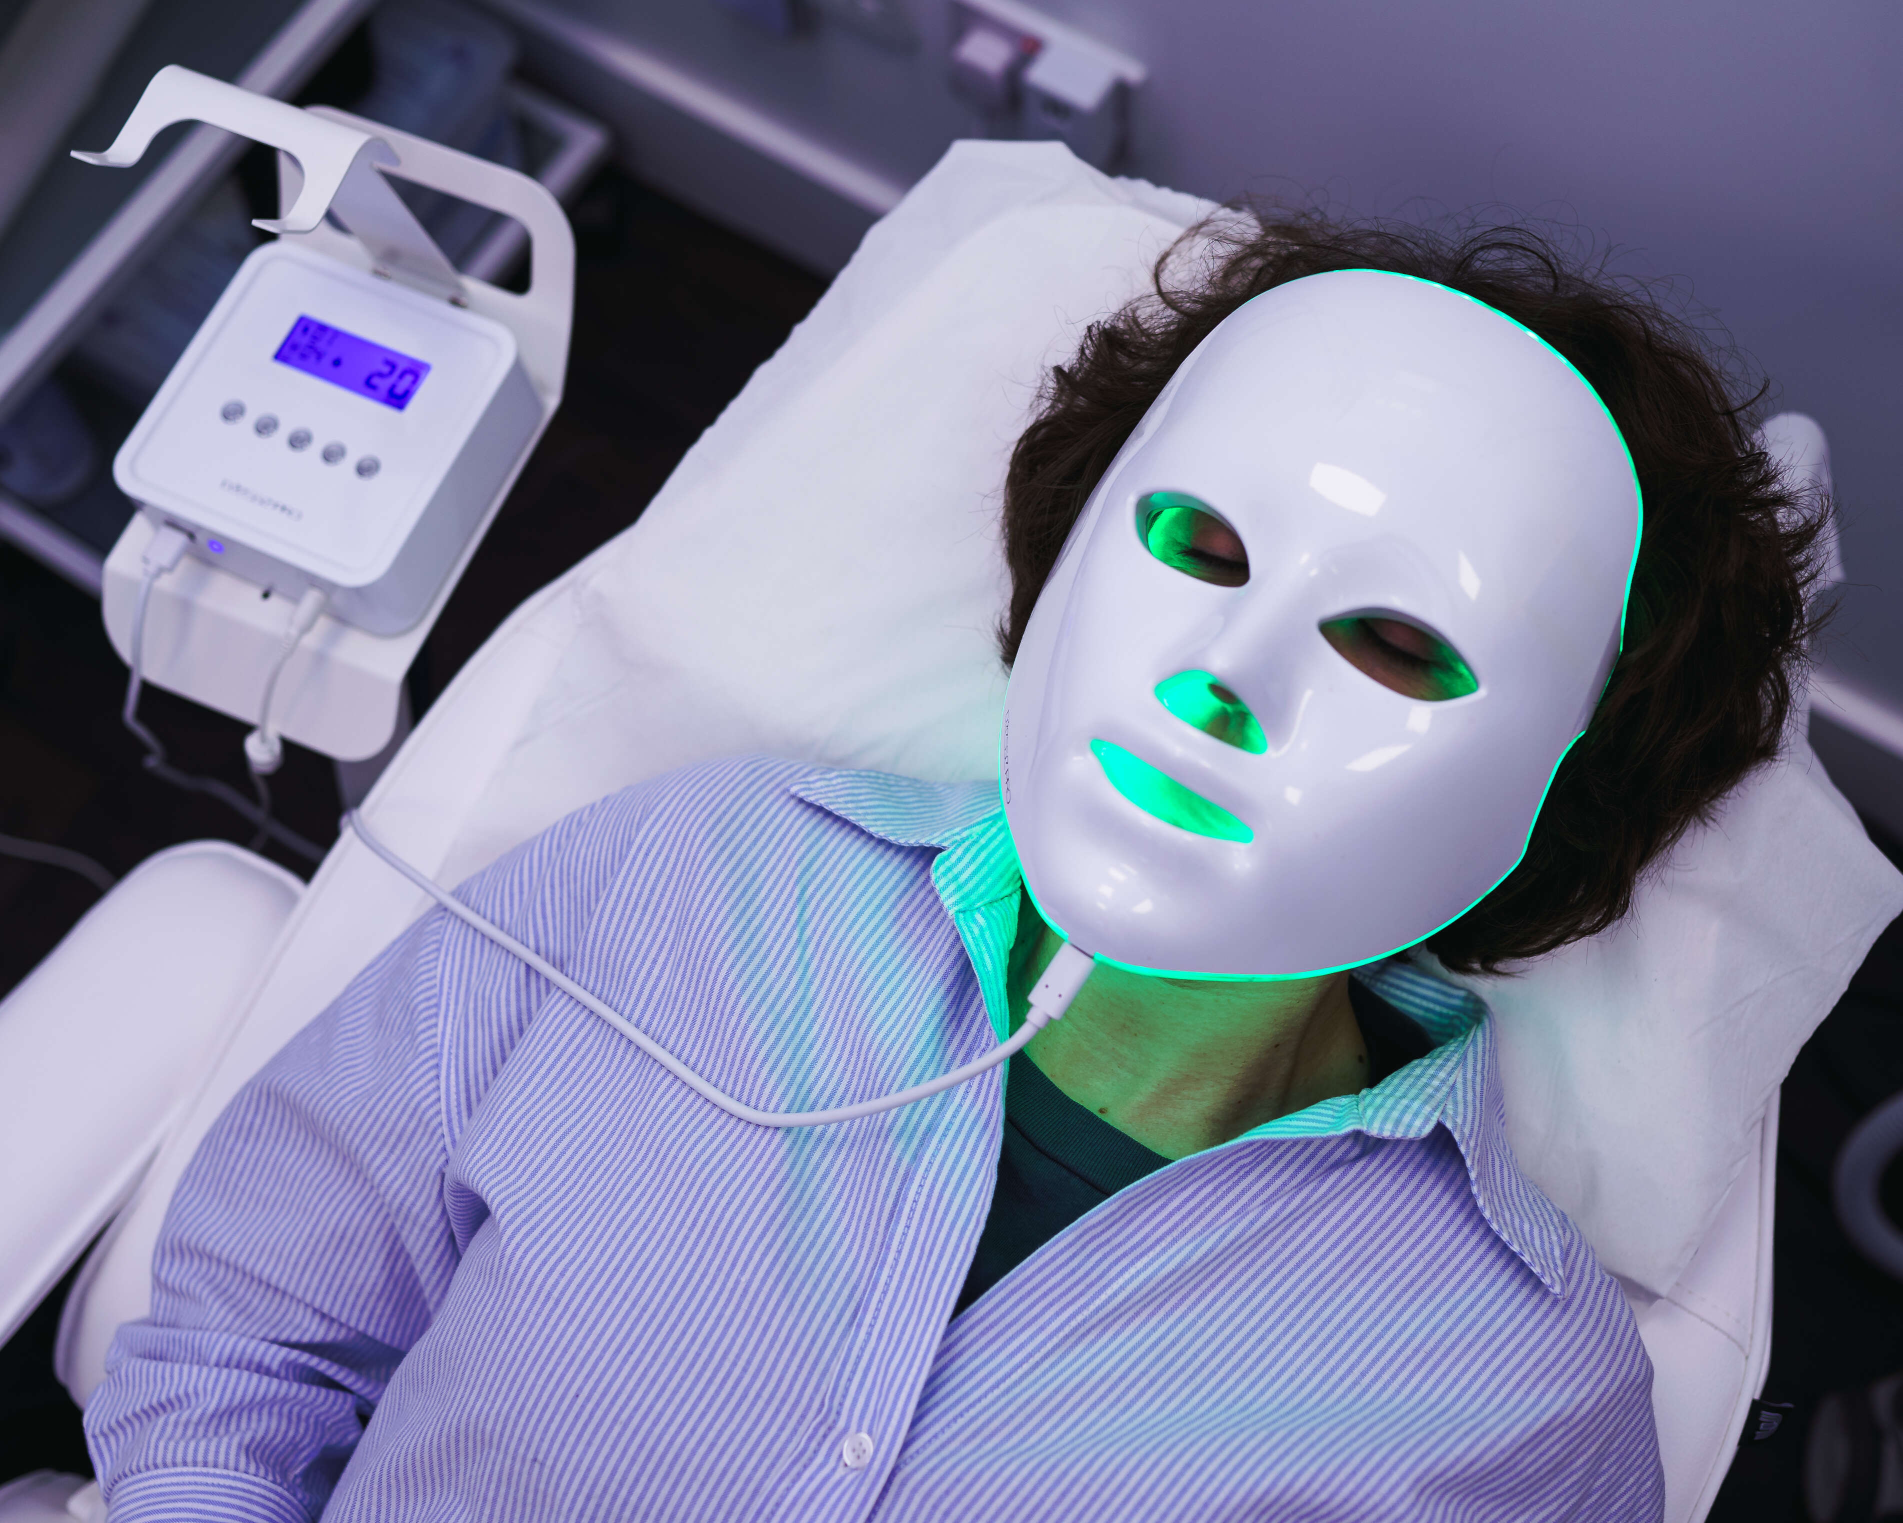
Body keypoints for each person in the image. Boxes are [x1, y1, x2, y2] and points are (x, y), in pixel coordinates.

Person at [83, 210, 1822, 1521]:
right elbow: (249, 1339)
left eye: (1392, 643)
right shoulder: (693, 875)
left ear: (1569, 788)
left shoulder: (1514, 1396)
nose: (1224, 678)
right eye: (1202, 546)